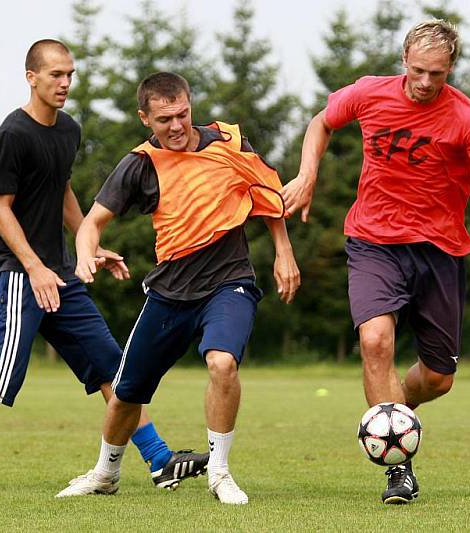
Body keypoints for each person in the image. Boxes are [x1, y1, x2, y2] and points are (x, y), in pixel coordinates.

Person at [0, 40, 207, 493]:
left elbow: (60, 189)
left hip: (61, 274)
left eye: (70, 75)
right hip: (20, 275)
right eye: (56, 75)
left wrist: (89, 241)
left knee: (114, 370)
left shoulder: (69, 130)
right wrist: (35, 267)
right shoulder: (13, 134)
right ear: (32, 77)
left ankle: (160, 460)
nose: (65, 84)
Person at [282, 19, 470, 505]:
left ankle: (390, 411)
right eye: (420, 70)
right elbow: (321, 121)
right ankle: (397, 464)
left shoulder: (467, 119)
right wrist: (307, 175)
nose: (427, 83)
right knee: (375, 339)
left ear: (451, 70)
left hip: (440, 251)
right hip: (373, 241)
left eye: (438, 74)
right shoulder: (368, 93)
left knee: (438, 378)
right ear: (404, 59)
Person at [56, 72, 300, 504]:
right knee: (127, 391)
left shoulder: (228, 141)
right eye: (165, 118)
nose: (176, 126)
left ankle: (220, 473)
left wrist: (284, 251)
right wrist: (85, 254)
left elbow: (267, 194)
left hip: (230, 282)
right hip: (169, 292)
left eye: (183, 114)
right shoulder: (139, 164)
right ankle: (105, 473)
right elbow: (92, 223)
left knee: (223, 364)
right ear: (145, 118)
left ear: (191, 106)